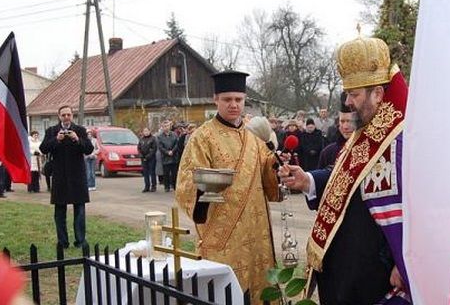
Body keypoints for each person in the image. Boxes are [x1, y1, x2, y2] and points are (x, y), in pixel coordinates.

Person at [279, 35, 409, 304]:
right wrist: (308, 181)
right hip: (345, 271)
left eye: (354, 94)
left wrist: (405, 262)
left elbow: (421, 210)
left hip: (374, 274)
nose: (348, 102)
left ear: (378, 94)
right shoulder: (365, 133)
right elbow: (348, 179)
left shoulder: (403, 139)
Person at [175, 70, 280, 304]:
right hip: (222, 231)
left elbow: (267, 176)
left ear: (244, 100)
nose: (233, 105)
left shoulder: (256, 132)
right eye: (227, 99)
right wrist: (203, 188)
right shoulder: (202, 137)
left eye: (238, 100)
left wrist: (275, 165)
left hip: (256, 228)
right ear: (216, 100)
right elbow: (186, 182)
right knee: (226, 290)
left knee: (259, 286)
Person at [40, 105, 94, 249]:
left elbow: (89, 149)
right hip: (60, 176)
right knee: (59, 212)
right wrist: (56, 140)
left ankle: (80, 241)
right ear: (59, 116)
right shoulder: (51, 131)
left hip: (77, 176)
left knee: (80, 210)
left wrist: (77, 139)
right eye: (63, 115)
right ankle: (62, 242)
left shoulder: (80, 130)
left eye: (68, 115)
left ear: (72, 115)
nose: (66, 117)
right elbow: (43, 148)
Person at [317, 92, 357, 170]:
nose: (345, 127)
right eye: (342, 121)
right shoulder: (327, 153)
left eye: (350, 121)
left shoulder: (372, 150)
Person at [157, 121, 177, 193]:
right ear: (162, 127)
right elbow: (160, 147)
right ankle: (167, 187)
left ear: (170, 126)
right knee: (166, 174)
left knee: (174, 173)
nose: (166, 127)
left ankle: (175, 186)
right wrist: (167, 152)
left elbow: (176, 144)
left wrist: (172, 151)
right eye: (164, 126)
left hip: (174, 157)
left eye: (167, 126)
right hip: (165, 157)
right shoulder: (160, 136)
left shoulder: (174, 134)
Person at [138, 127, 157, 193]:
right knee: (145, 173)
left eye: (147, 131)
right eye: (144, 131)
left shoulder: (153, 139)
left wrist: (148, 156)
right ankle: (147, 186)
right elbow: (139, 148)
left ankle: (153, 186)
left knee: (152, 172)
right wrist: (141, 155)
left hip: (151, 158)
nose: (146, 132)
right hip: (143, 158)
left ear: (149, 131)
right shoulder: (141, 139)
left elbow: (154, 149)